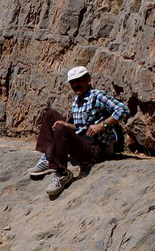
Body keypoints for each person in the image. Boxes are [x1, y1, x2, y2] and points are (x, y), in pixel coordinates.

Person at [31, 66, 131, 198]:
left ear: (88, 80)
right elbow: (81, 128)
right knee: (51, 115)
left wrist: (102, 125)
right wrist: (68, 125)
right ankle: (48, 157)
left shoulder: (97, 96)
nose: (75, 85)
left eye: (79, 81)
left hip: (95, 148)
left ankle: (61, 172)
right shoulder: (76, 101)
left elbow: (123, 110)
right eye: (72, 82)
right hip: (83, 141)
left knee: (61, 128)